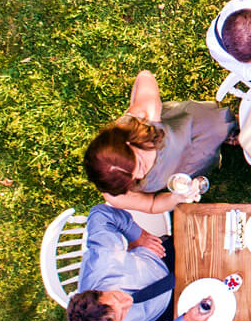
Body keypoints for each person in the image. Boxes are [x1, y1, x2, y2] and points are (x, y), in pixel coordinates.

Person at [65, 204, 213, 321]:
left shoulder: (103, 258)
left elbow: (100, 214)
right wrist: (186, 320)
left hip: (162, 258)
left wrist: (137, 235)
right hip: (167, 306)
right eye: (121, 316)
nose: (127, 302)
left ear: (98, 291)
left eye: (117, 298)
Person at [81, 70, 233, 215]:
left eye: (139, 164)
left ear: (129, 143)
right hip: (183, 165)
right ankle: (219, 148)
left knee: (218, 126)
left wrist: (142, 104)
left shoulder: (142, 119)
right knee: (206, 157)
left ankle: (232, 129)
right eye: (133, 179)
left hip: (189, 128)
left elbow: (144, 76)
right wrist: (176, 197)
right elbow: (152, 205)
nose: (142, 174)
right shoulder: (116, 193)